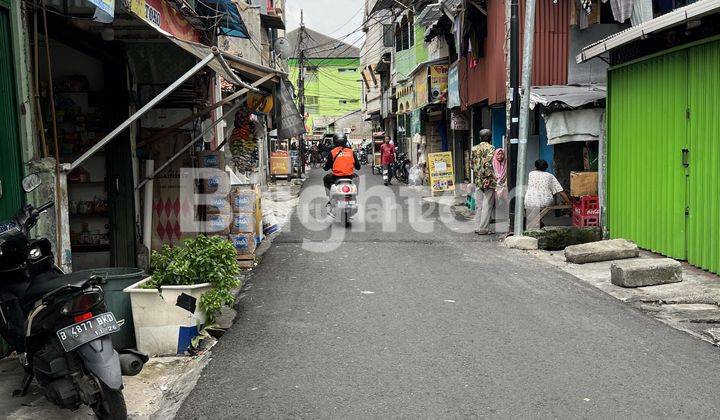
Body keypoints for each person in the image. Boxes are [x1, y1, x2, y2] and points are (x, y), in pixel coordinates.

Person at [524, 159, 571, 229]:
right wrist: (569, 203)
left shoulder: (531, 174)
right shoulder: (550, 176)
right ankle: (538, 223)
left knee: (531, 208)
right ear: (546, 167)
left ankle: (538, 222)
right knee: (540, 203)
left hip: (529, 200)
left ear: (535, 166)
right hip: (544, 201)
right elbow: (561, 192)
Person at [323, 134, 361, 201]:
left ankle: (330, 196)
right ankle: (354, 195)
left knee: (325, 179)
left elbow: (326, 168)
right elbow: (358, 167)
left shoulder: (332, 152)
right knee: (357, 178)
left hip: (336, 177)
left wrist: (324, 166)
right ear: (345, 141)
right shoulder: (351, 152)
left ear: (334, 141)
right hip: (350, 177)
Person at [473, 129, 496, 235]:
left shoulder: (474, 148)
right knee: (487, 204)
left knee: (479, 205)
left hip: (478, 179)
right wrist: (487, 177)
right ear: (490, 138)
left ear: (480, 137)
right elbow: (488, 164)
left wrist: (479, 176)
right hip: (488, 180)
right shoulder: (491, 148)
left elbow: (472, 165)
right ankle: (483, 229)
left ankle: (477, 227)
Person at [493, 148, 508, 222]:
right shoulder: (493, 163)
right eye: (498, 154)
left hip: (504, 184)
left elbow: (507, 173)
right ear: (495, 155)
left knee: (506, 200)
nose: (500, 156)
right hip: (494, 185)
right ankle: (494, 217)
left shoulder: (506, 162)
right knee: (494, 201)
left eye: (502, 154)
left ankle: (506, 217)